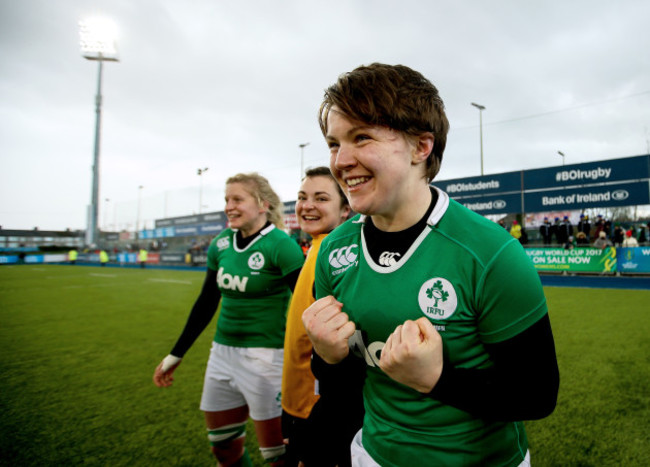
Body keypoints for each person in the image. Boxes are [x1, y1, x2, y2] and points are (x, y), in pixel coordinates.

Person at [302, 63, 559, 466]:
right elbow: (344, 384)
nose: (341, 160)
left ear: (422, 147)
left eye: (362, 137)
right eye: (334, 144)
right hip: (372, 454)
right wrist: (325, 355)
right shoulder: (334, 250)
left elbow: (537, 393)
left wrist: (438, 379)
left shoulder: (490, 253)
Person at [153, 173, 305, 466]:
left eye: (237, 199)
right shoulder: (221, 243)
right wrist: (177, 353)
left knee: (278, 456)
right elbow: (206, 302)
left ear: (263, 204)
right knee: (223, 447)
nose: (228, 206)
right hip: (221, 355)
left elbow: (306, 305)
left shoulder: (280, 245)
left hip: (267, 357)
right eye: (226, 200)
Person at [281, 166, 363, 467]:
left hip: (316, 408)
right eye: (302, 197)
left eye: (321, 198)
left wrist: (310, 413)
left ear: (345, 209)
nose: (307, 205)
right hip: (298, 403)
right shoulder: (317, 248)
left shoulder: (337, 256)